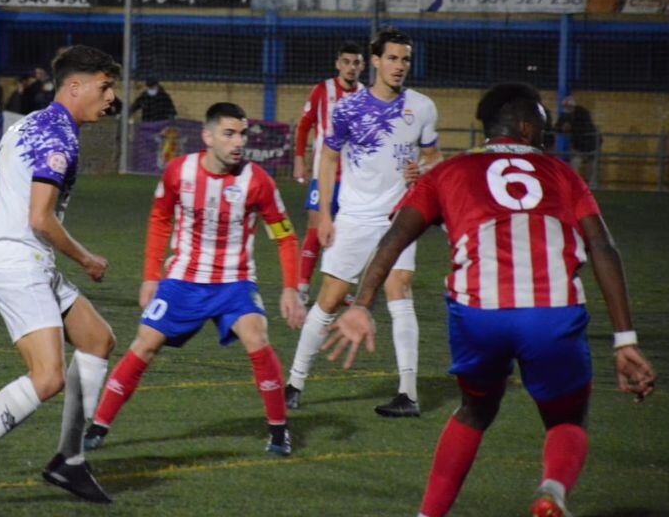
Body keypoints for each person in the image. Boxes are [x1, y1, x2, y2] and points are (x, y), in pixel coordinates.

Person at [323, 83, 656, 517]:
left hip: (479, 313)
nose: (547, 129)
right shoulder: (562, 174)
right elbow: (603, 249)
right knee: (566, 418)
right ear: (523, 125)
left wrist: (363, 303)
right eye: (541, 120)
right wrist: (624, 339)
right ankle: (552, 490)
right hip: (551, 314)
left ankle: (428, 515)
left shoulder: (447, 172)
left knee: (475, 410)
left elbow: (394, 238)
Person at [0, 45, 121, 508]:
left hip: (19, 259)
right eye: (105, 86)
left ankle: (68, 462)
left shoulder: (24, 125)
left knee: (97, 340)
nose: (111, 97)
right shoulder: (58, 138)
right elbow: (40, 219)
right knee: (48, 376)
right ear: (76, 87)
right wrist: (87, 259)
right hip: (21, 262)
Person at [83, 102, 307, 458]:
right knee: (144, 342)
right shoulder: (179, 172)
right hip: (183, 280)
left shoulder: (258, 181)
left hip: (235, 282)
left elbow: (284, 235)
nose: (238, 142)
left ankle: (279, 432)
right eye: (229, 134)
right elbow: (159, 220)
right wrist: (150, 277)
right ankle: (98, 427)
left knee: (256, 336)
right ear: (208, 137)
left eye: (243, 134)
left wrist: (291, 288)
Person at [285, 27, 441, 416]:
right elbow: (329, 159)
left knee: (400, 294)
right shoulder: (348, 108)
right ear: (375, 61)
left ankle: (408, 393)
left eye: (405, 59)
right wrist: (324, 214)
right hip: (353, 217)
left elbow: (434, 158)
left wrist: (421, 169)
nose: (399, 66)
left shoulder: (422, 107)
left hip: (400, 219)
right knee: (330, 300)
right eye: (392, 58)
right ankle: (294, 382)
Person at [291, 42, 366, 304]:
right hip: (323, 174)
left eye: (356, 63)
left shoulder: (366, 95)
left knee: (345, 233)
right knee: (315, 227)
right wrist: (299, 160)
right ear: (338, 64)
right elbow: (303, 127)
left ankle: (339, 288)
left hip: (354, 178)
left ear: (362, 66)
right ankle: (301, 287)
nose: (351, 67)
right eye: (346, 62)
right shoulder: (322, 90)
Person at [556, 95, 600, 184]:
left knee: (591, 167)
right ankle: (575, 184)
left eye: (568, 106)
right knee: (574, 165)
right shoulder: (565, 115)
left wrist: (570, 128)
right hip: (578, 145)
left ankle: (592, 186)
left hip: (590, 144)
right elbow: (557, 127)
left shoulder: (582, 113)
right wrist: (562, 128)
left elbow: (584, 127)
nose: (566, 108)